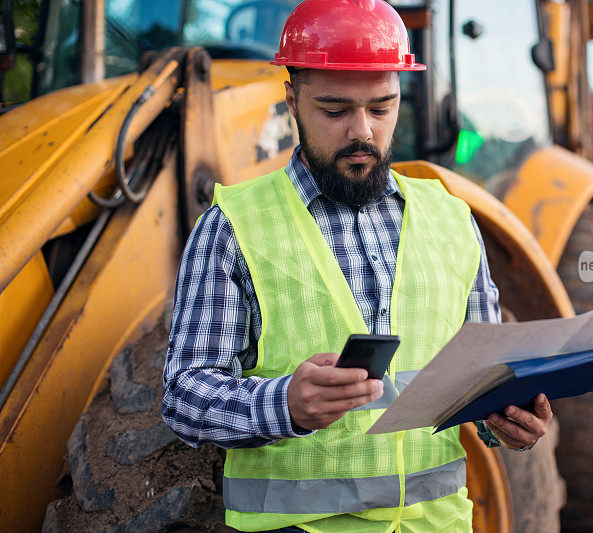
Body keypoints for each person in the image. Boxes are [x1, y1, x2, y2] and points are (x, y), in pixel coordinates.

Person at [162, 0, 553, 531]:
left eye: (382, 106)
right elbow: (185, 393)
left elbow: (479, 382)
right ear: (292, 99)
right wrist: (284, 405)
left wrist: (505, 418)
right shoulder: (233, 228)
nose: (362, 131)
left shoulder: (453, 220)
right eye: (335, 110)